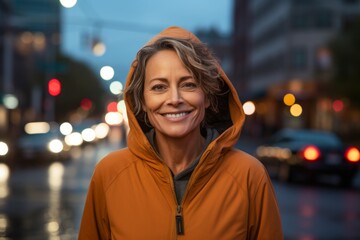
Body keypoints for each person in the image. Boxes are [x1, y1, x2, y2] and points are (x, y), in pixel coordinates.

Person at [78, 26, 283, 239]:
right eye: (159, 87)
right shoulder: (109, 174)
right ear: (142, 102)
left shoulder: (249, 175)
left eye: (189, 85)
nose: (174, 99)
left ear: (208, 97)